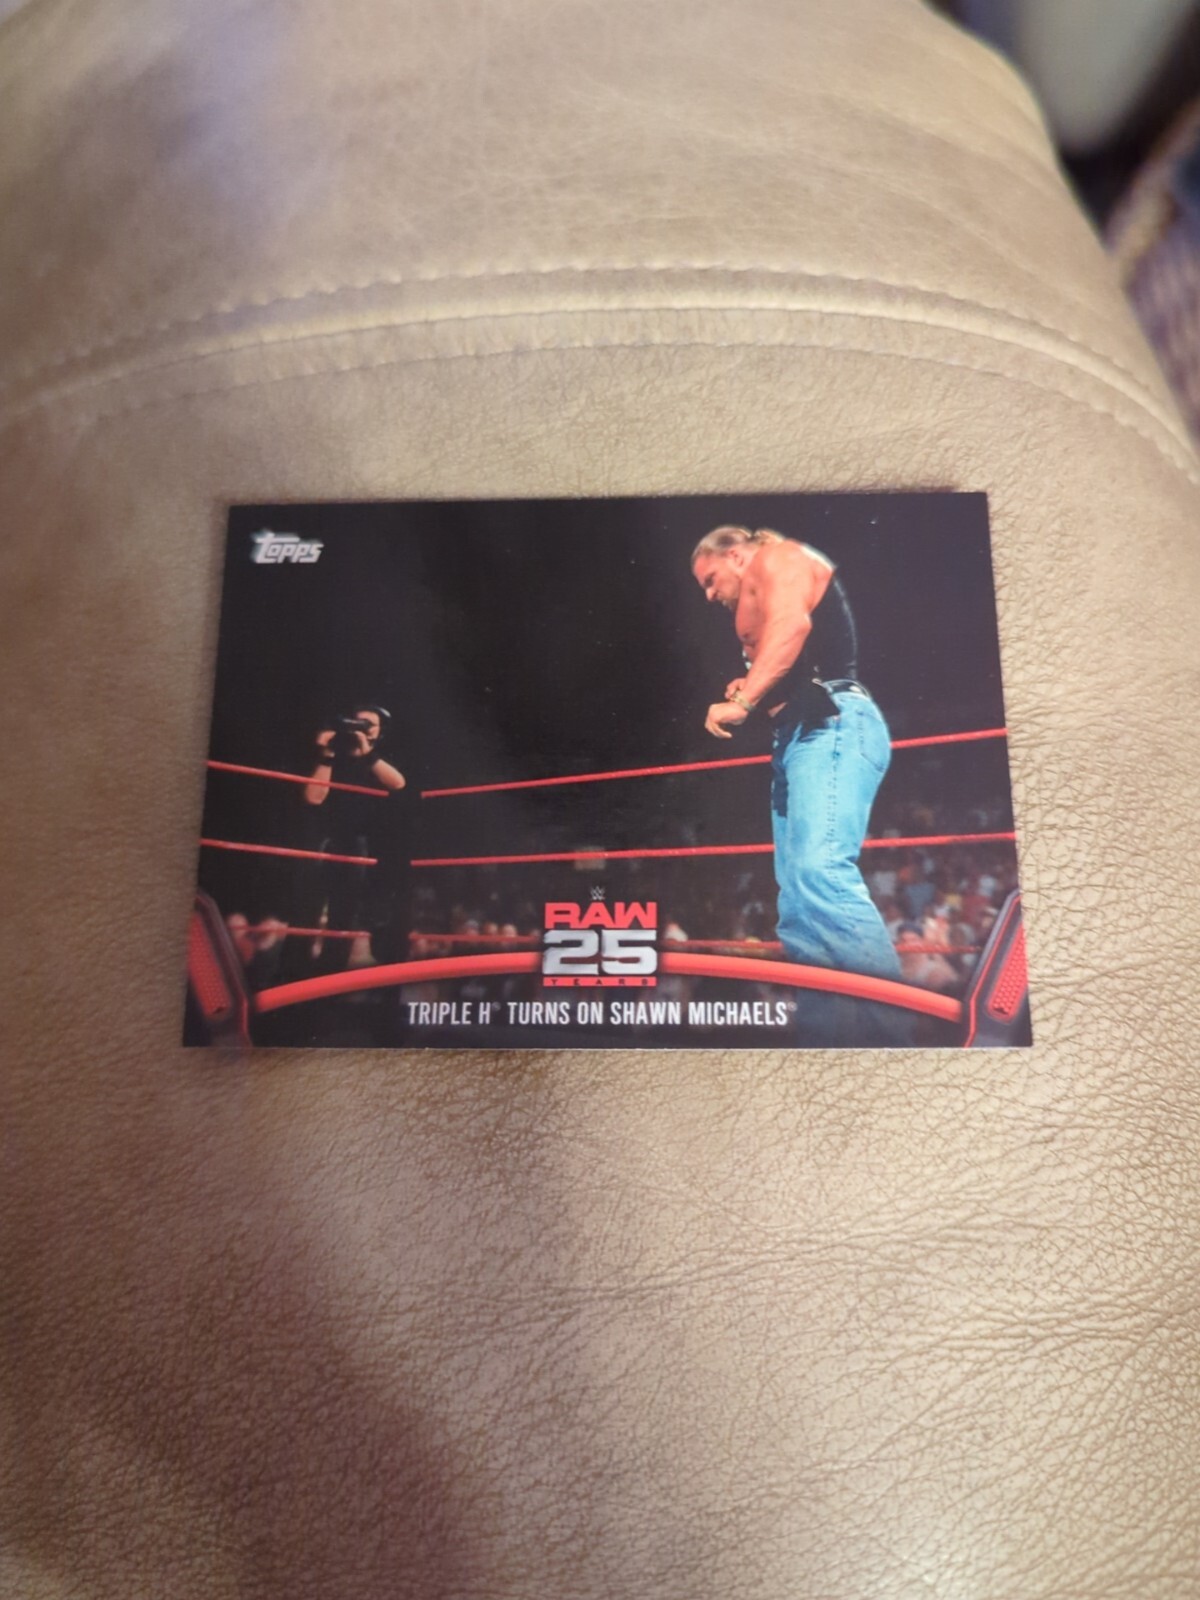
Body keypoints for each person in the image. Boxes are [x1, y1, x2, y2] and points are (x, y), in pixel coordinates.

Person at [691, 525, 909, 1045]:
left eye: (710, 579)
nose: (709, 595)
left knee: (820, 873)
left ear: (736, 555)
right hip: (798, 738)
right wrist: (754, 687)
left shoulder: (777, 558)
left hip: (831, 724)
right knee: (797, 908)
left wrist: (743, 702)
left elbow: (792, 625)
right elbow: (790, 651)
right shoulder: (757, 586)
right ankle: (826, 1039)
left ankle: (898, 1038)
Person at [291, 705, 412, 975]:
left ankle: (331, 975)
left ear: (379, 732)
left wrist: (366, 752)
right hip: (324, 839)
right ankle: (295, 973)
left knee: (344, 914)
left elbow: (398, 783)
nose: (360, 728)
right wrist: (326, 754)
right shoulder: (333, 753)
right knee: (307, 908)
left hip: (358, 843)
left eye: (368, 725)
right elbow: (313, 797)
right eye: (357, 722)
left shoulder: (379, 760)